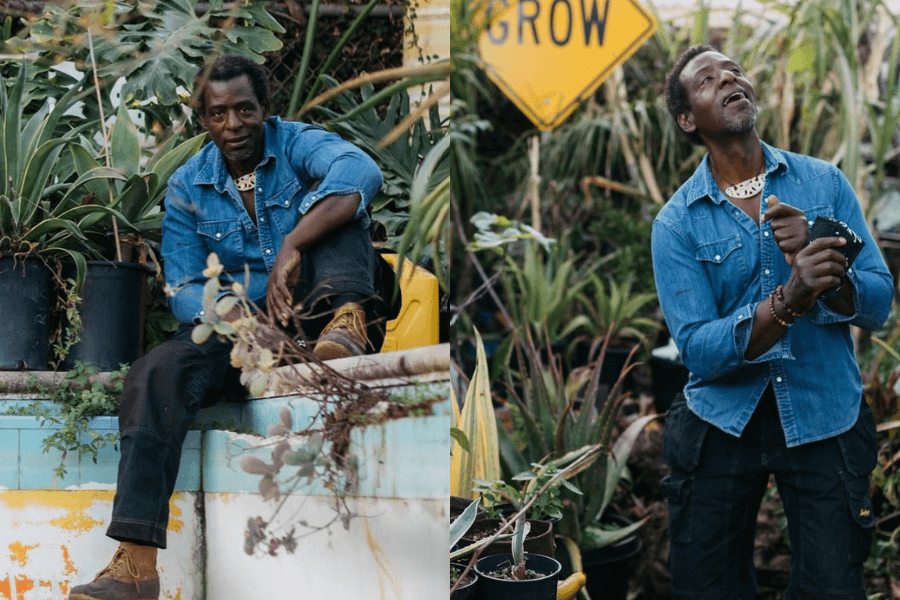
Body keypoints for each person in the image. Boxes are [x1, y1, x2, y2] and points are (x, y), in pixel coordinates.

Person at [68, 54, 394, 600]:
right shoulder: (187, 186)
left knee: (339, 210)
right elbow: (185, 287)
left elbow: (362, 172)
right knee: (154, 372)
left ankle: (345, 325)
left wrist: (293, 241)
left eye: (245, 109)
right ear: (204, 120)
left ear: (266, 109)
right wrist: (238, 318)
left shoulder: (297, 144)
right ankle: (135, 566)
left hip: (322, 307)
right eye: (219, 114)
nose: (234, 124)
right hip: (247, 337)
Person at [652, 45, 895, 599]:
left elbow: (879, 303)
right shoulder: (676, 224)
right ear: (688, 119)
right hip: (722, 420)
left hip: (823, 410)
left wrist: (827, 271)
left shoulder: (823, 184)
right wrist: (790, 297)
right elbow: (699, 350)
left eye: (734, 71)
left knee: (832, 587)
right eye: (709, 80)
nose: (731, 79)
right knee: (706, 585)